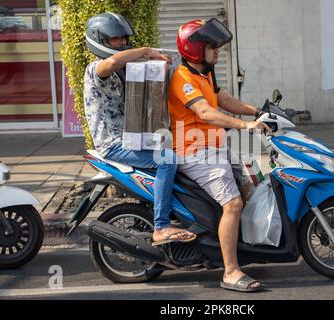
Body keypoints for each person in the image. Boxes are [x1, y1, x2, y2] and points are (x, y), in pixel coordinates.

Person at [168, 18, 270, 292]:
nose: (218, 51)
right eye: (212, 47)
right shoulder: (182, 78)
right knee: (234, 204)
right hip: (195, 151)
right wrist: (245, 125)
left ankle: (224, 243)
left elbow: (221, 99)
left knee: (252, 184)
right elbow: (206, 112)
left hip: (215, 145)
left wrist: (256, 112)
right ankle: (230, 271)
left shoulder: (205, 74)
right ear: (195, 50)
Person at [83, 12, 196, 245]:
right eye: (117, 39)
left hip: (132, 139)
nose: (123, 43)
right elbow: (112, 62)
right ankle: (161, 226)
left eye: (125, 38)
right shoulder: (96, 69)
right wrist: (146, 51)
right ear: (100, 40)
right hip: (113, 144)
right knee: (167, 160)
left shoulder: (124, 68)